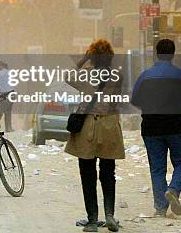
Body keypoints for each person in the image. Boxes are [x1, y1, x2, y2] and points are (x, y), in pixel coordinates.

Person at [131, 39, 181, 217]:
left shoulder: (145, 76)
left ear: (156, 53)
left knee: (157, 168)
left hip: (151, 128)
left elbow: (135, 100)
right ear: (173, 54)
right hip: (177, 126)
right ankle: (174, 189)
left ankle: (160, 208)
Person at [65, 39, 124, 233]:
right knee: (108, 173)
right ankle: (109, 215)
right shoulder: (117, 75)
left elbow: (68, 76)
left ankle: (92, 220)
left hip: (88, 127)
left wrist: (83, 60)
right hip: (109, 126)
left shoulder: (85, 75)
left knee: (87, 174)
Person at [0, 60, 14, 132]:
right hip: (12, 94)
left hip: (4, 94)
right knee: (8, 112)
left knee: (0, 112)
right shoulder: (10, 72)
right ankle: (8, 127)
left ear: (1, 65)